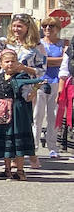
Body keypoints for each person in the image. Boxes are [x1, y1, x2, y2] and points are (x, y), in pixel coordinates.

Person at [0, 48, 39, 180]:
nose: (10, 64)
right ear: (1, 64)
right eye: (7, 61)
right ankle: (7, 169)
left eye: (13, 61)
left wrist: (34, 90)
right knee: (6, 140)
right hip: (1, 112)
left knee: (18, 140)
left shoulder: (22, 77)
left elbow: (27, 97)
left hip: (18, 112)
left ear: (17, 63)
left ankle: (20, 171)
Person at [4, 13, 46, 169]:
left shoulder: (37, 46)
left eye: (20, 26)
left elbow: (41, 71)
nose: (16, 29)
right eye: (14, 26)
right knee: (9, 123)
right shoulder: (8, 43)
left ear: (28, 28)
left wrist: (24, 68)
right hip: (8, 87)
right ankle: (15, 156)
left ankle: (32, 155)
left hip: (26, 89)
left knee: (24, 122)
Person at [35, 19, 64, 159]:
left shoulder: (63, 43)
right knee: (37, 115)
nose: (47, 28)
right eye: (44, 26)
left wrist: (47, 60)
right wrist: (57, 60)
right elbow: (40, 61)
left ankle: (53, 146)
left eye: (51, 26)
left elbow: (66, 61)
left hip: (57, 82)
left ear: (57, 28)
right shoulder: (39, 43)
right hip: (40, 82)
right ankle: (33, 147)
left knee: (54, 115)